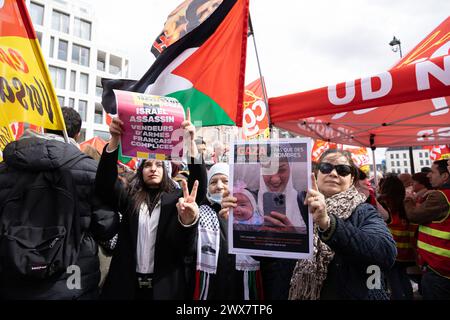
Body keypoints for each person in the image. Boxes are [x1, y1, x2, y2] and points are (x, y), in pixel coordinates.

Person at [0, 107, 119, 299]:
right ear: (78, 134)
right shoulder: (89, 169)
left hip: (13, 276)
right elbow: (106, 228)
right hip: (73, 279)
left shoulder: (7, 167)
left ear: (45, 127)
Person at [95, 110, 207, 300]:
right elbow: (105, 183)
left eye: (158, 165)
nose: (153, 169)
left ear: (166, 170)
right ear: (141, 171)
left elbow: (199, 186)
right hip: (126, 287)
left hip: (164, 288)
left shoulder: (177, 199)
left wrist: (190, 144)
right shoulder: (129, 196)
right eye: (147, 165)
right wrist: (114, 140)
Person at [289, 149, 396, 299]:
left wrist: (328, 224)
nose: (333, 173)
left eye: (342, 170)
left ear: (352, 179)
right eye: (326, 167)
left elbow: (385, 252)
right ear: (316, 173)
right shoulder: (294, 204)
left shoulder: (363, 211)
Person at [189, 163, 263, 300]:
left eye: (225, 181)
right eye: (213, 182)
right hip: (213, 288)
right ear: (207, 189)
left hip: (240, 286)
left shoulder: (252, 213)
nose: (219, 186)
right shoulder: (197, 213)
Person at [404, 159, 450, 299]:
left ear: (445, 176)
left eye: (433, 171)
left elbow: (414, 215)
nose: (428, 175)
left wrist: (408, 200)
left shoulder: (440, 196)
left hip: (439, 269)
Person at [378, 174, 415, 300]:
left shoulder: (383, 203)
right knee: (403, 277)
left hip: (391, 250)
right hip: (407, 250)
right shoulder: (406, 201)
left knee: (393, 281)